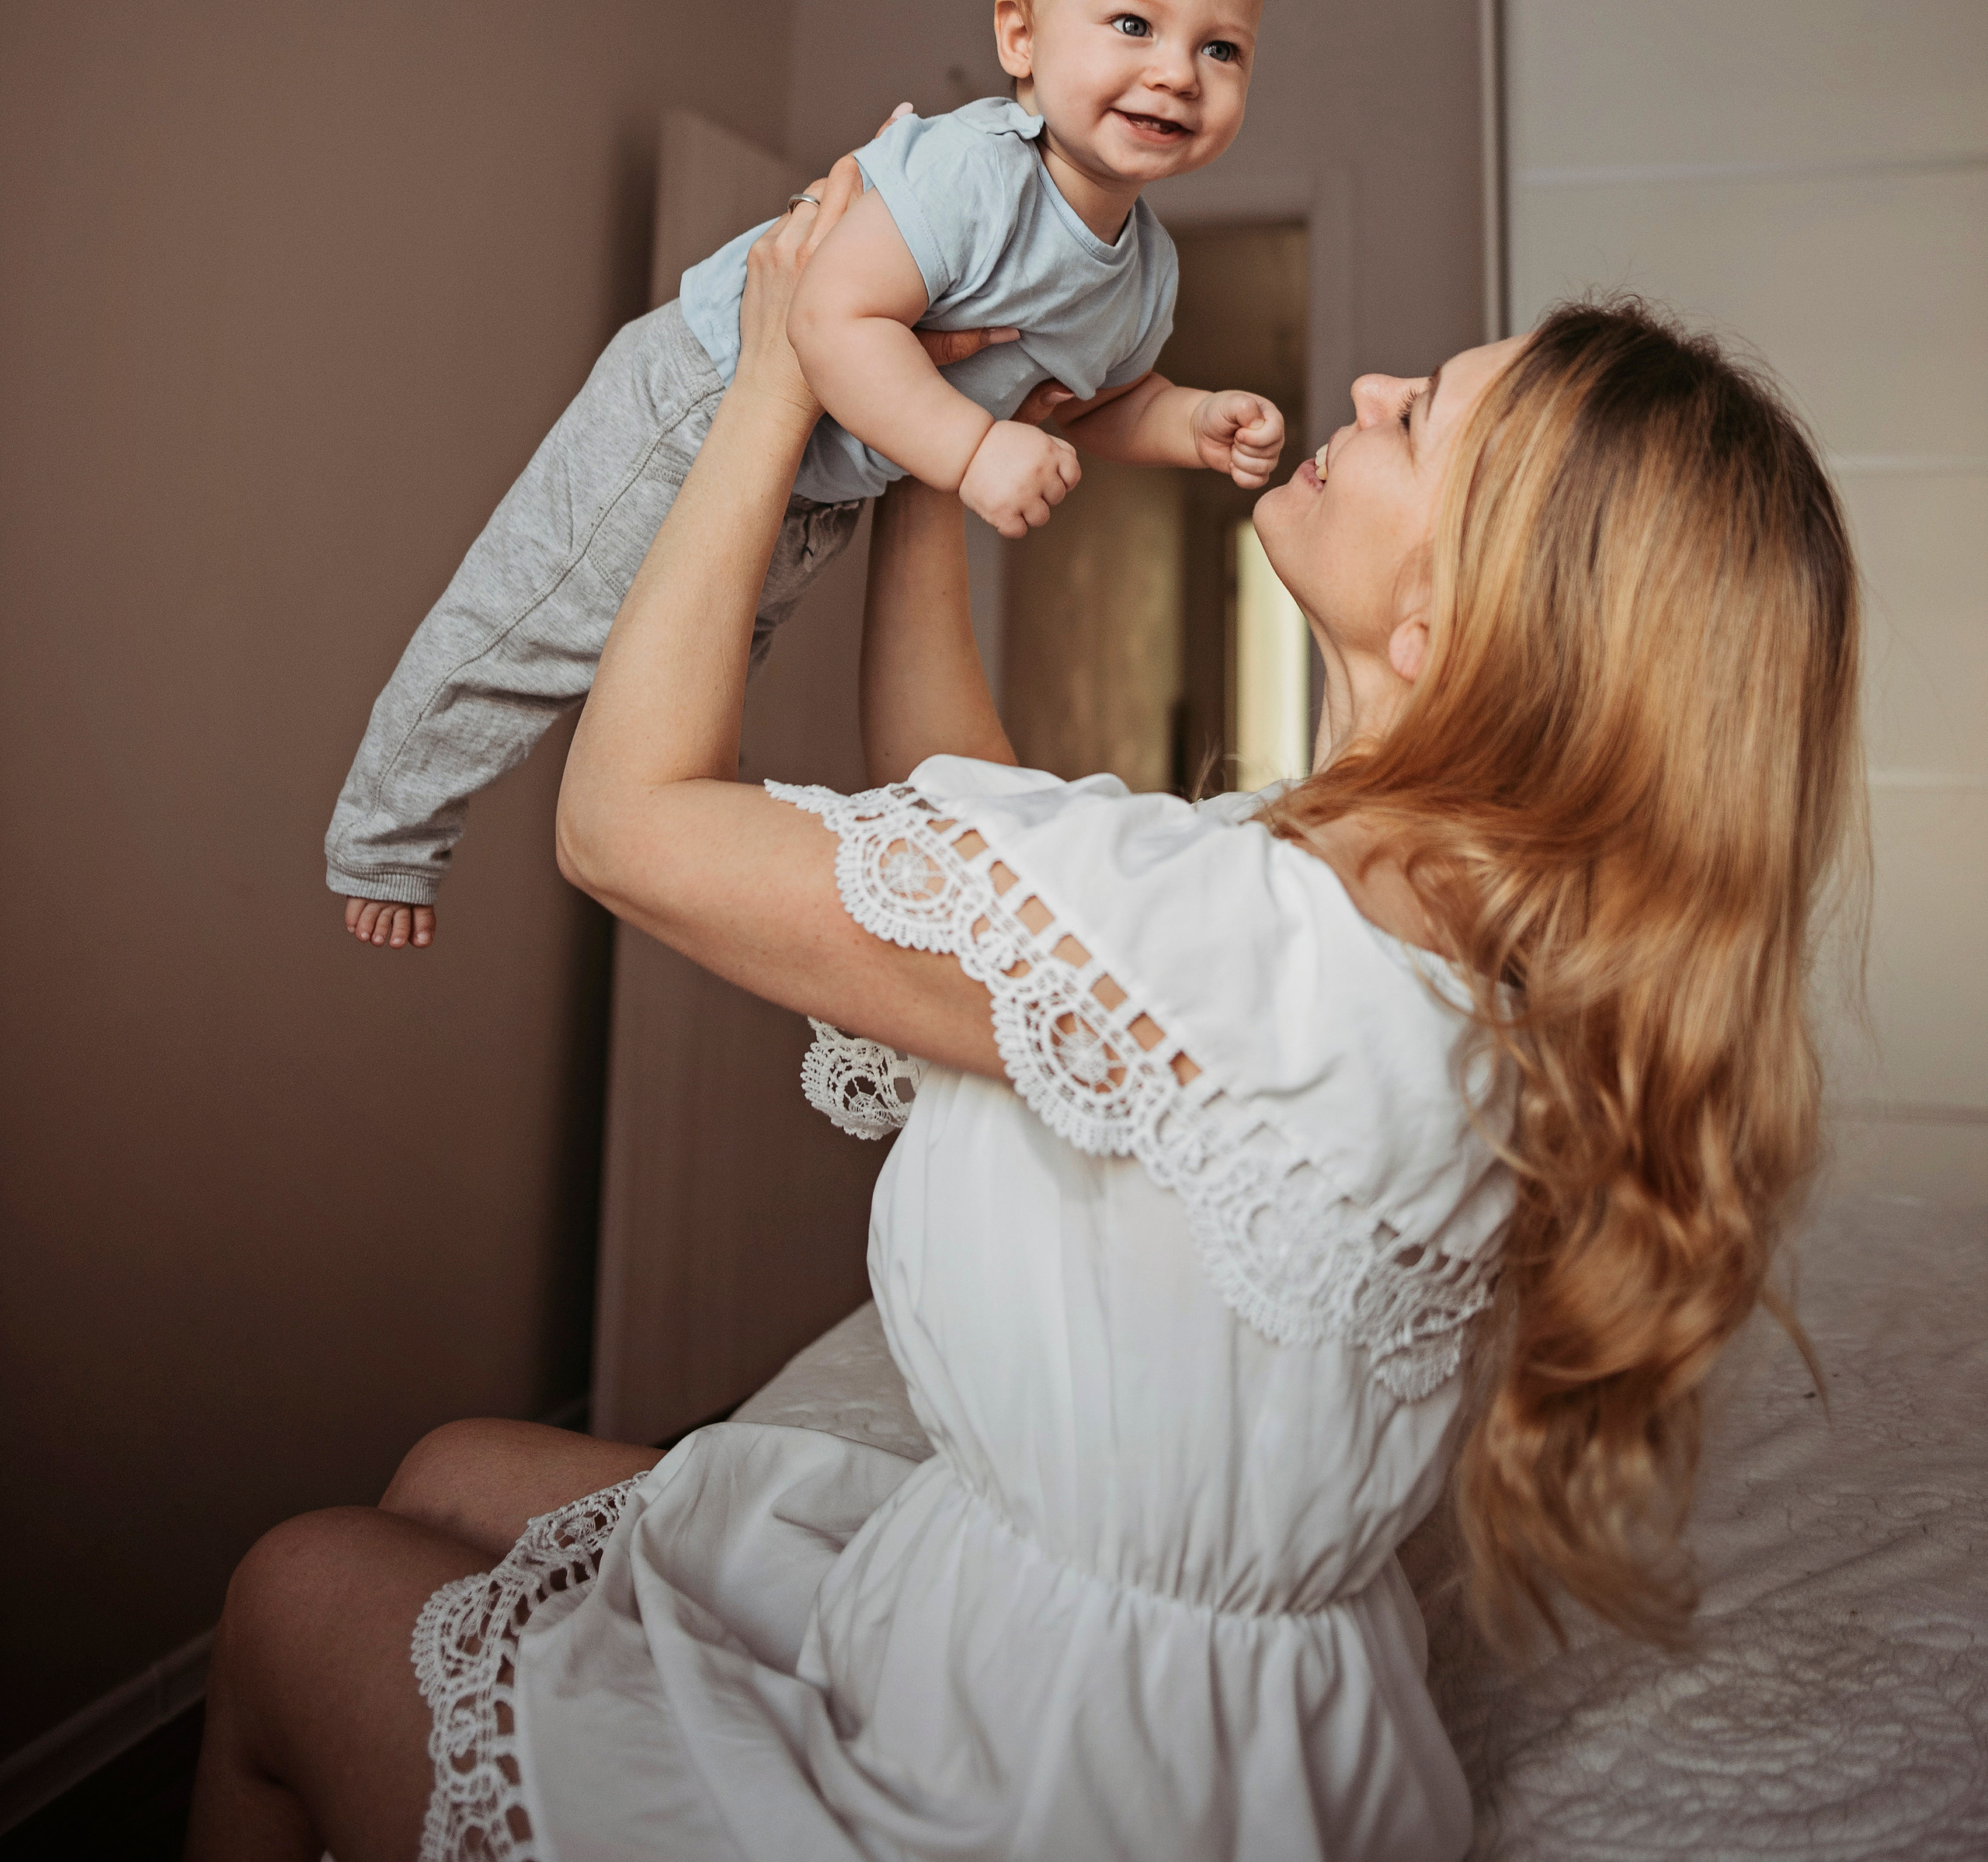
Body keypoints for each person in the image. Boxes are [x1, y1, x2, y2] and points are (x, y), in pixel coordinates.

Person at [193, 161, 1863, 1861]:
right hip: (1221, 1705)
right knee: (459, 1469)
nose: (1369, 390)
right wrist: (938, 456)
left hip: (1037, 1770)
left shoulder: (1228, 941)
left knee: (290, 1589)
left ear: (1448, 624)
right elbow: (975, 815)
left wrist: (778, 377)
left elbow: (623, 825)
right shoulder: (1385, 934)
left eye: (1420, 416)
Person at [326, 0, 1285, 949]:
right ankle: (385, 840)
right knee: (532, 626)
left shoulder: (1148, 271)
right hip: (698, 404)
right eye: (1134, 24)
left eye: (1222, 47)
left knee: (681, 691)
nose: (1178, 70)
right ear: (1019, 39)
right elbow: (828, 319)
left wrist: (1189, 421)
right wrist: (971, 455)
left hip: (817, 483)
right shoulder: (974, 172)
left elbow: (1091, 400)